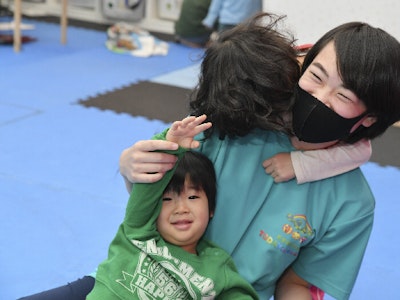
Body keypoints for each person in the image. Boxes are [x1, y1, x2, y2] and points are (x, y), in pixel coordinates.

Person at [18, 13, 400, 300]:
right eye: (316, 76)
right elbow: (152, 181)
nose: (320, 97)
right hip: (132, 281)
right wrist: (130, 165)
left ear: (367, 118)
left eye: (344, 96)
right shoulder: (238, 122)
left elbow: (298, 283)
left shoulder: (351, 203)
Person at [86, 114, 258, 299]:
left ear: (211, 209)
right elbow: (149, 188)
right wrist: (171, 146)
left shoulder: (216, 265)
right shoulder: (138, 231)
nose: (181, 208)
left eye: (192, 196)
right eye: (167, 200)